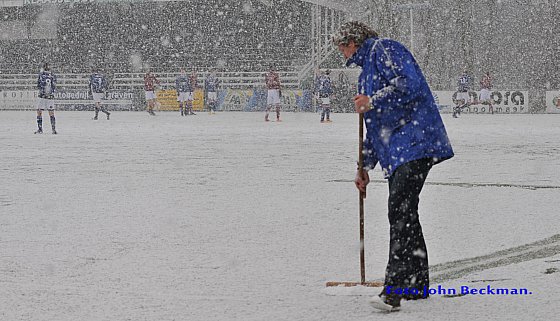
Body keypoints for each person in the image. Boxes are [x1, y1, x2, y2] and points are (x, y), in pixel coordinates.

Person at [332, 21, 454, 312]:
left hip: (416, 140)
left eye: (343, 45)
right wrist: (364, 167)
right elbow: (373, 128)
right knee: (405, 210)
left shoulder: (384, 49)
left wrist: (372, 101)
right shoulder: (364, 77)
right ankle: (416, 284)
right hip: (399, 150)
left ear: (355, 41)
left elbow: (408, 85)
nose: (341, 52)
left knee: (399, 207)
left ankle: (395, 289)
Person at [34, 63, 58, 134]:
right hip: (50, 97)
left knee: (39, 111)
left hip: (42, 96)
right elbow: (54, 85)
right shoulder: (53, 75)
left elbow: (38, 85)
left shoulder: (41, 75)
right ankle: (53, 130)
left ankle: (40, 129)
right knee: (51, 113)